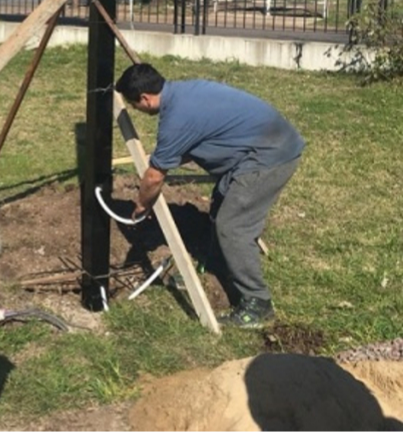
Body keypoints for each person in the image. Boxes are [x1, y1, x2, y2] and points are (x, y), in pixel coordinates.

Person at [115, 63, 305, 329]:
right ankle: (219, 268)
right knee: (220, 206)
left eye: (134, 105)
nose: (136, 110)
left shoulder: (175, 120)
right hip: (262, 145)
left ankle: (258, 304)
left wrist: (141, 204)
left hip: (270, 156)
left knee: (233, 227)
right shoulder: (186, 91)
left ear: (145, 99)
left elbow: (154, 177)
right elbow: (202, 136)